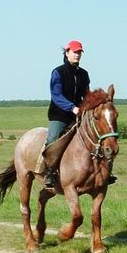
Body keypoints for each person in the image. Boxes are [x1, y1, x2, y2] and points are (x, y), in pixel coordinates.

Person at [43, 40, 90, 188]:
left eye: (79, 52)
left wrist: (89, 107)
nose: (77, 55)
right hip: (60, 115)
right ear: (67, 53)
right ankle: (49, 172)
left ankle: (102, 172)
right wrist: (72, 107)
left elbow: (86, 94)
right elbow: (56, 95)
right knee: (53, 138)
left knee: (96, 136)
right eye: (75, 52)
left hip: (78, 115)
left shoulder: (83, 74)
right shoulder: (58, 72)